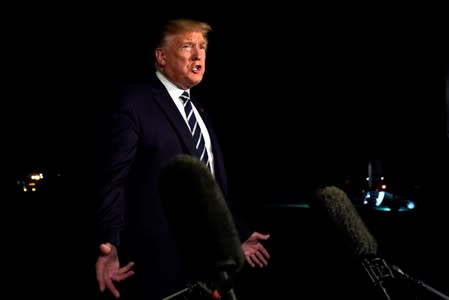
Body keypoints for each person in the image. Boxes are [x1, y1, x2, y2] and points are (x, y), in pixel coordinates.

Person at [94, 17, 270, 299]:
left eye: (202, 46)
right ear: (161, 56)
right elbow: (112, 182)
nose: (199, 55)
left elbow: (208, 189)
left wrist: (234, 234)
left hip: (208, 267)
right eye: (188, 46)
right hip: (160, 270)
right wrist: (110, 243)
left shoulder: (198, 111)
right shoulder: (134, 104)